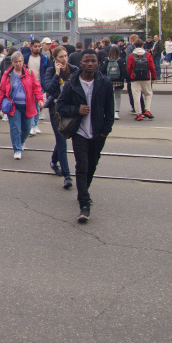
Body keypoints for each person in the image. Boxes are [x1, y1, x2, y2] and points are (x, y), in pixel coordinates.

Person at [56, 49, 115, 222]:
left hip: (98, 133)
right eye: (87, 61)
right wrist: (77, 109)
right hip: (79, 132)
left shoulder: (105, 83)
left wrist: (105, 130)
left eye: (93, 61)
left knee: (92, 165)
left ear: (97, 63)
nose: (90, 64)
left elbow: (110, 110)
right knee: (82, 166)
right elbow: (60, 106)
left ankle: (84, 191)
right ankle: (84, 204)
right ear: (81, 63)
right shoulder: (72, 83)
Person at [0, 52, 43, 160]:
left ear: (23, 61)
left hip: (28, 105)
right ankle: (17, 149)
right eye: (16, 62)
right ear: (12, 63)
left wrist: (40, 100)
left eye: (20, 61)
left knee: (27, 128)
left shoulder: (29, 73)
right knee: (15, 128)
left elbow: (36, 87)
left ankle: (21, 142)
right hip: (14, 106)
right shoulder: (8, 75)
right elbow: (1, 90)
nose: (18, 64)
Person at [43, 46, 77, 189]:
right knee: (62, 141)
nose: (64, 59)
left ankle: (53, 161)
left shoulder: (74, 70)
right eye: (61, 57)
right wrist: (57, 74)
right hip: (55, 111)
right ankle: (67, 176)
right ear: (55, 59)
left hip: (70, 110)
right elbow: (49, 89)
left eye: (65, 56)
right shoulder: (51, 70)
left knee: (63, 138)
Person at [126, 39, 156, 121]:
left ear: (134, 46)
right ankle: (147, 110)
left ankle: (139, 114)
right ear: (143, 46)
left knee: (136, 96)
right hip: (146, 77)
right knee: (148, 94)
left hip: (135, 78)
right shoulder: (148, 54)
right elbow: (152, 67)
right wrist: (153, 77)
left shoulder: (131, 55)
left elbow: (129, 68)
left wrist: (129, 77)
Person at [25, 39, 49, 136]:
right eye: (35, 46)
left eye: (39, 46)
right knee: (30, 106)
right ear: (31, 47)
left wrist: (45, 84)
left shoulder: (43, 58)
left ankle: (34, 125)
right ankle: (32, 125)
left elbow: (46, 71)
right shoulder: (26, 58)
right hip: (28, 85)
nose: (38, 48)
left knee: (38, 106)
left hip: (39, 84)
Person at [99, 46, 125, 120]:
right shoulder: (120, 60)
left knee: (108, 96)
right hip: (118, 81)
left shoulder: (107, 60)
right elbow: (123, 71)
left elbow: (102, 70)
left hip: (108, 81)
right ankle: (116, 112)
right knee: (118, 96)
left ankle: (107, 111)